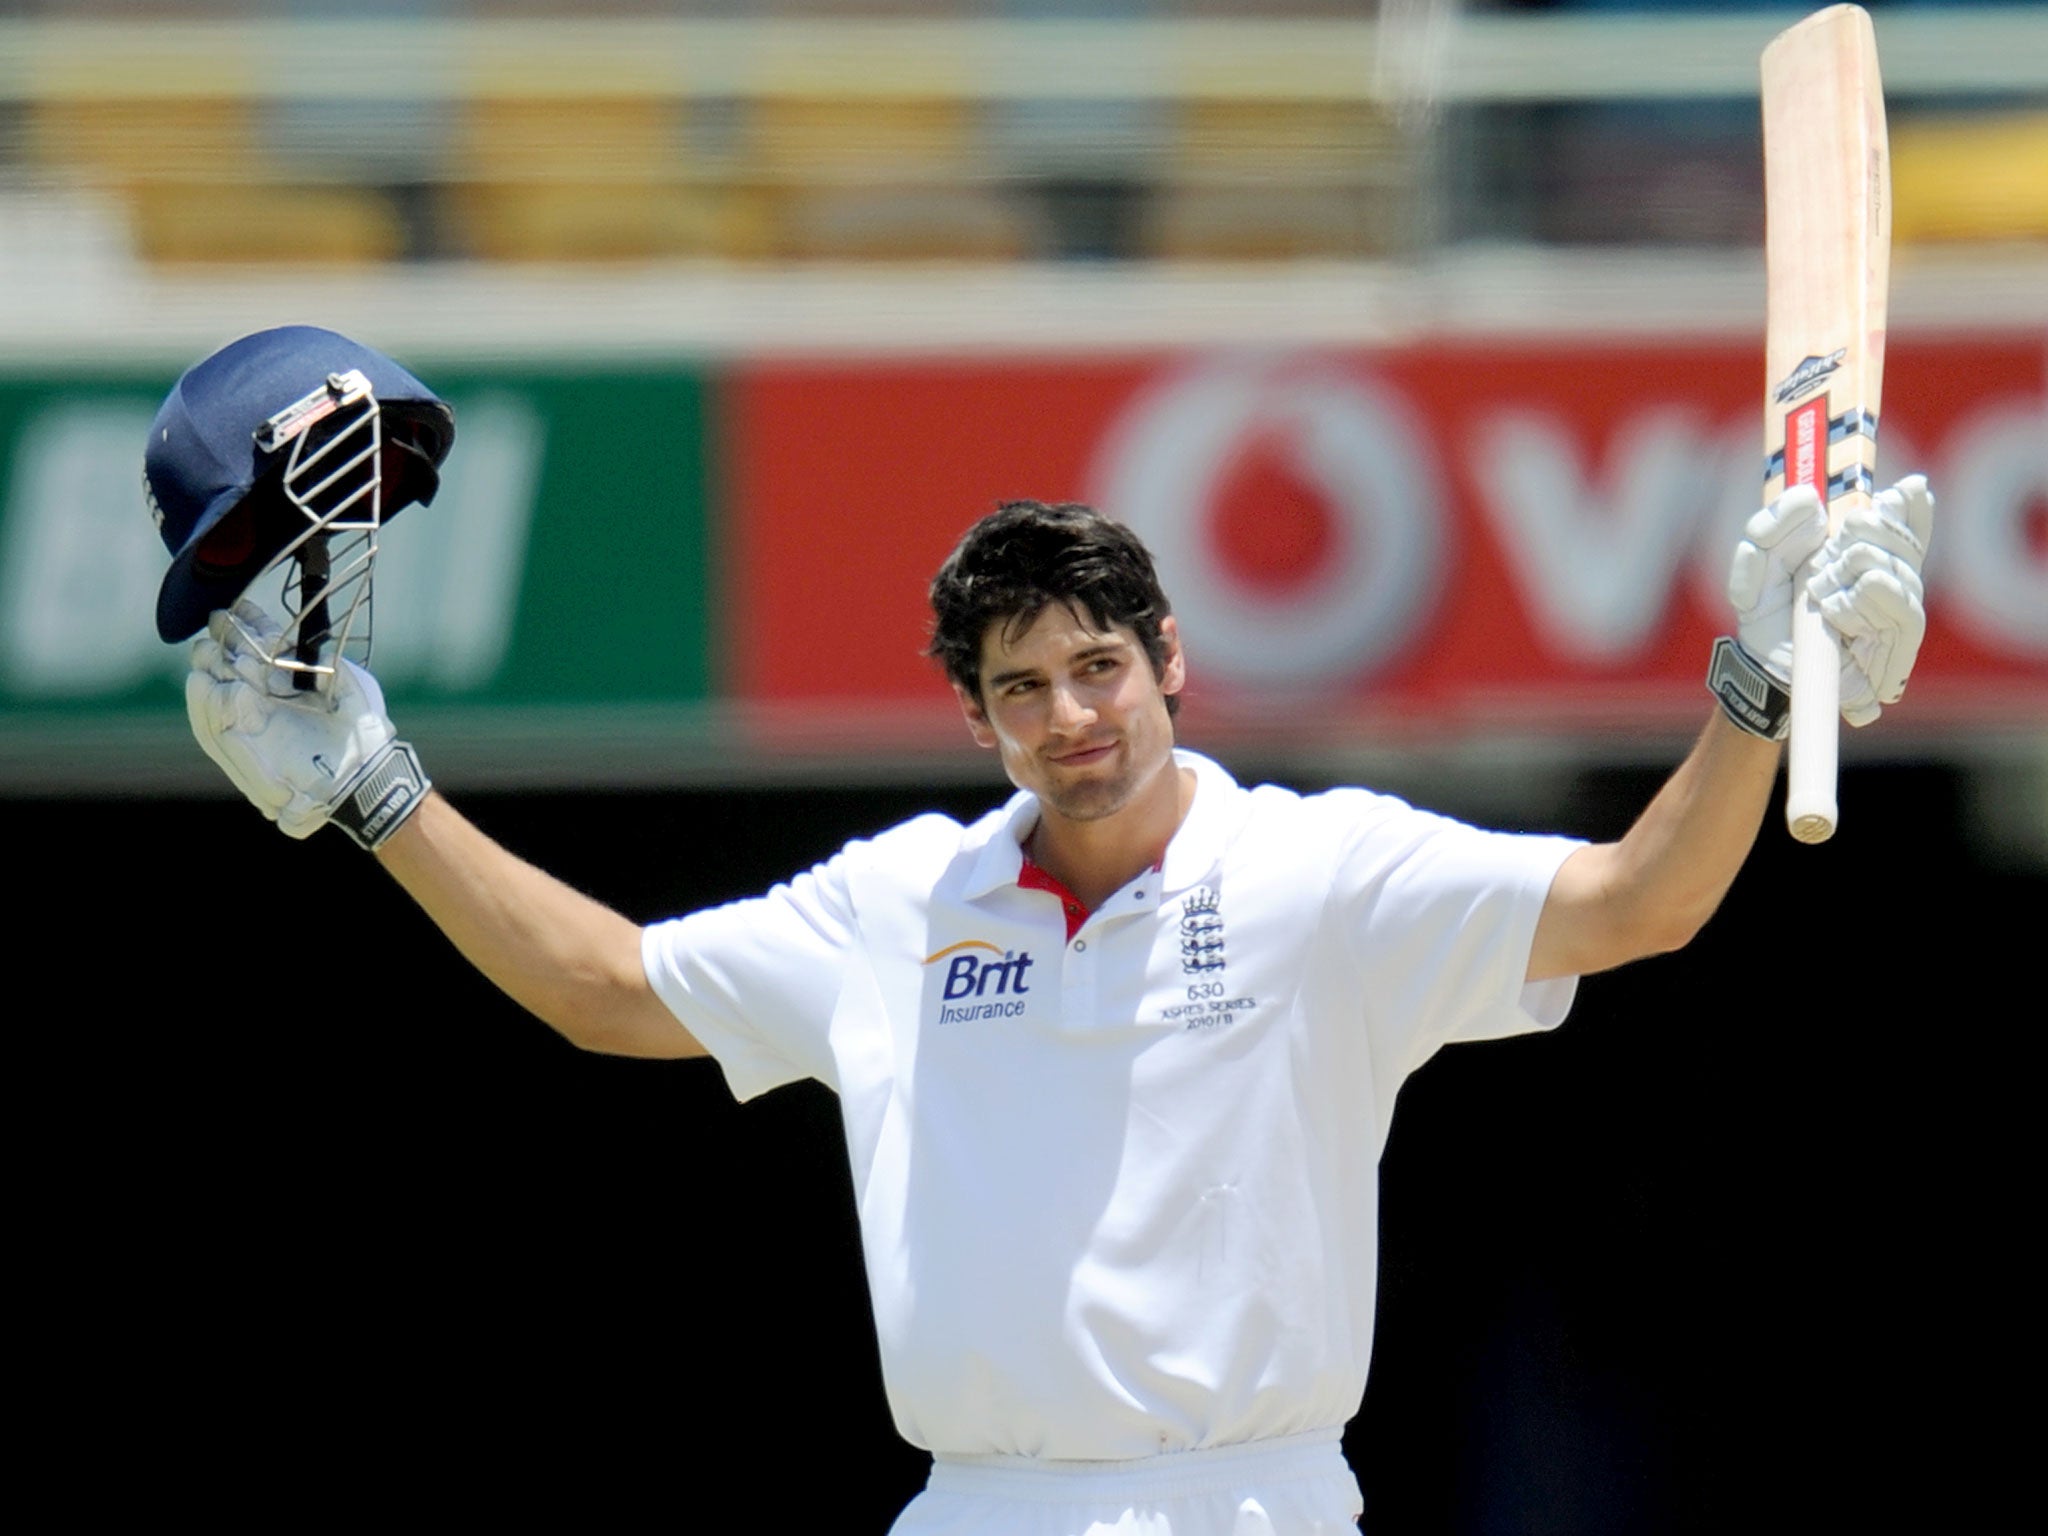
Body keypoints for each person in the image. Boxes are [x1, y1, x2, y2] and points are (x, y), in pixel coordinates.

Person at [156, 331, 1933, 1536]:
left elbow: (1648, 897)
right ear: (979, 720)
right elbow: (606, 991)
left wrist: (1763, 681)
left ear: (1171, 660)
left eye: (1101, 667)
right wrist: (380, 790)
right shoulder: (897, 904)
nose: (1074, 715)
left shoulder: (1321, 873)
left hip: (1255, 1501)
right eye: (1024, 688)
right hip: (976, 1506)